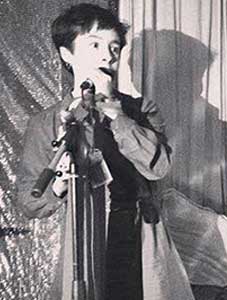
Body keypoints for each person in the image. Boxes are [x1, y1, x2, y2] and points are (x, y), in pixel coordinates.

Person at [16, 3, 171, 300]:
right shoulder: (47, 122)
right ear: (67, 55)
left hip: (135, 240)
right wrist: (59, 184)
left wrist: (117, 113)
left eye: (115, 48)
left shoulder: (141, 111)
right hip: (81, 242)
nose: (107, 55)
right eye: (95, 45)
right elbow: (28, 201)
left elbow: (159, 166)